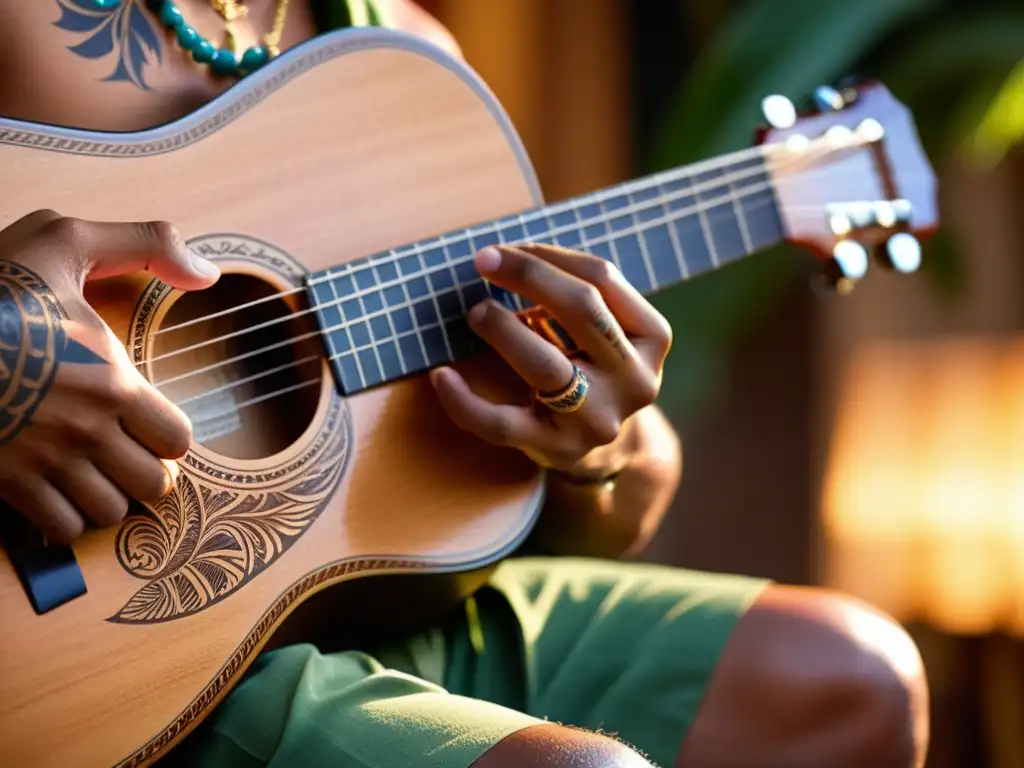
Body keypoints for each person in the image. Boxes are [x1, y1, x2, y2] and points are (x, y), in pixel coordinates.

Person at [0, 1, 928, 766]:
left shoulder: (404, 60)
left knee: (851, 680)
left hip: (365, 611)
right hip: (90, 673)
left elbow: (610, 522)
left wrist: (592, 438)